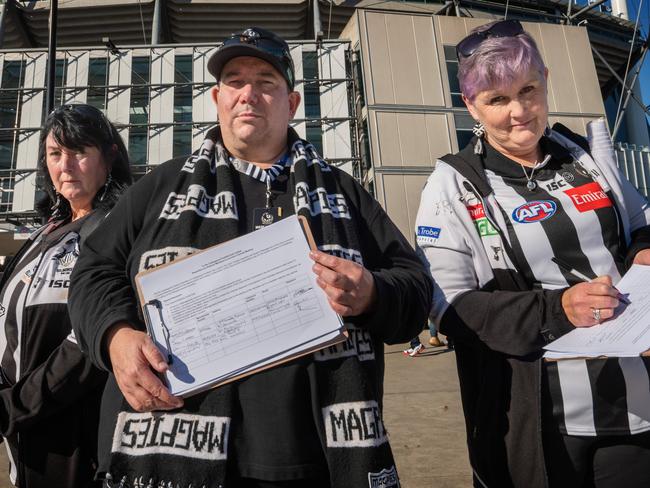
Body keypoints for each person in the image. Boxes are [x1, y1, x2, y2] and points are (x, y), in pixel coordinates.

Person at [68, 27, 431, 488]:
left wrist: (373, 293)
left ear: (292, 103)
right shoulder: (159, 189)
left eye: (265, 82)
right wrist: (115, 336)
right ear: (218, 98)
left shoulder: (343, 193)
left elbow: (416, 285)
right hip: (172, 446)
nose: (248, 95)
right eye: (235, 82)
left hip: (319, 459)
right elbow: (92, 273)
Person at [415, 20, 650, 488]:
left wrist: (645, 254)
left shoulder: (581, 155)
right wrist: (556, 309)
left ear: (545, 80)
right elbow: (449, 308)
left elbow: (642, 222)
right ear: (471, 105)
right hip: (537, 418)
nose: (519, 111)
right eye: (497, 99)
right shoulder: (451, 184)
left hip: (635, 403)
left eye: (529, 89)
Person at [0, 104, 132, 487]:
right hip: (25, 437)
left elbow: (91, 339)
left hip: (77, 435)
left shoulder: (118, 224)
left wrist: (15, 406)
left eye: (79, 152)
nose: (66, 166)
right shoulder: (48, 229)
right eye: (55, 154)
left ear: (109, 157)